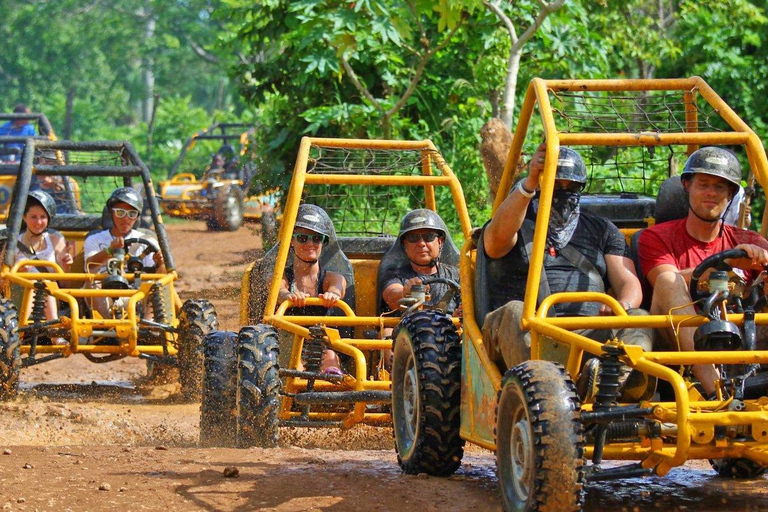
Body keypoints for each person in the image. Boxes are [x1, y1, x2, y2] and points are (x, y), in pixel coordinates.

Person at [481, 145, 653, 400]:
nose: (560, 191)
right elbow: (495, 242)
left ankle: (606, 385)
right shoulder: (516, 219)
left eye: (568, 186)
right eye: (553, 183)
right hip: (528, 329)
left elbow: (628, 281)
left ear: (579, 187)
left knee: (639, 317)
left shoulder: (602, 229)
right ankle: (546, 393)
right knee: (516, 311)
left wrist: (622, 305)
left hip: (588, 333)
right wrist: (529, 183)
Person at [638, 146, 768, 396]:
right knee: (668, 279)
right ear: (687, 186)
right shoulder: (655, 237)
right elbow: (662, 281)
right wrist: (724, 265)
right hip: (676, 340)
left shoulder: (746, 240)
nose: (711, 193)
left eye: (720, 187)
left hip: (742, 336)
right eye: (703, 184)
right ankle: (718, 395)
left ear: (730, 194)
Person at [277, 204, 345, 375]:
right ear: (291, 241)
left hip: (321, 344)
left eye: (317, 239)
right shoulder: (282, 275)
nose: (310, 244)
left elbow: (339, 287)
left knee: (330, 357)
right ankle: (294, 396)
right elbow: (279, 290)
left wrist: (333, 294)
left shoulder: (331, 277)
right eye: (302, 238)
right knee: (295, 365)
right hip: (288, 344)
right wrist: (289, 296)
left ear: (323, 242)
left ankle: (331, 396)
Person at [84, 187, 164, 316]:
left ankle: (149, 327)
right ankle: (106, 327)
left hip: (137, 293)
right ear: (111, 213)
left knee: (155, 284)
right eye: (120, 213)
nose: (126, 218)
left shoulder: (147, 241)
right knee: (91, 280)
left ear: (137, 216)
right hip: (104, 291)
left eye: (132, 214)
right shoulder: (95, 239)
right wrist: (109, 251)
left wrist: (160, 264)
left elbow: (160, 278)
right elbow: (89, 266)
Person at [14, 191, 73, 334]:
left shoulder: (54, 240)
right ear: (24, 217)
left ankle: (51, 333)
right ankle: (19, 333)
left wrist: (66, 265)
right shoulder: (13, 242)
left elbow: (66, 283)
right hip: (19, 292)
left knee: (44, 285)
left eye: (43, 217)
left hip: (50, 291)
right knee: (36, 286)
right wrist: (18, 273)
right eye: (33, 217)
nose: (38, 222)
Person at [380, 209, 461, 315]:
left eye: (429, 236)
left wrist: (459, 315)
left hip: (448, 329)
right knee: (387, 332)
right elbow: (392, 295)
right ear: (404, 244)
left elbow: (468, 305)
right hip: (404, 330)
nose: (421, 243)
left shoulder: (456, 275)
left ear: (440, 241)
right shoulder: (394, 275)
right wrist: (405, 293)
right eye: (413, 238)